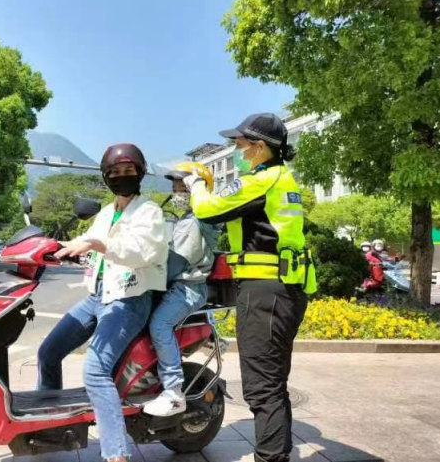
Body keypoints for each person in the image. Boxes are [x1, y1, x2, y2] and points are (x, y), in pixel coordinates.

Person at [184, 113, 317, 462]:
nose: (238, 150)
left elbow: (208, 210)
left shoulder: (263, 180)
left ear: (260, 147)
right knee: (273, 380)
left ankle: (270, 457)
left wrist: (196, 182)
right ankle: (278, 454)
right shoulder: (281, 177)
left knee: (261, 386)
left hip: (264, 293)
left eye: (241, 144)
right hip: (282, 290)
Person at [36, 143, 168, 462]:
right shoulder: (107, 212)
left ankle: (117, 455)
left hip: (129, 299)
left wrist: (99, 244)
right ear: (106, 177)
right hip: (98, 296)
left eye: (129, 171)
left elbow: (142, 252)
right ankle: (50, 427)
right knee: (48, 352)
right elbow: (87, 244)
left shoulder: (150, 211)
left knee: (95, 371)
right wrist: (56, 248)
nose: (122, 177)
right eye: (116, 172)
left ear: (139, 174)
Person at [142, 161, 220, 417]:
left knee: (159, 324)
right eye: (175, 187)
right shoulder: (190, 219)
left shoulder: (194, 222)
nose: (177, 193)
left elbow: (175, 264)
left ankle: (174, 392)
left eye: (183, 187)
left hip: (188, 288)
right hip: (181, 284)